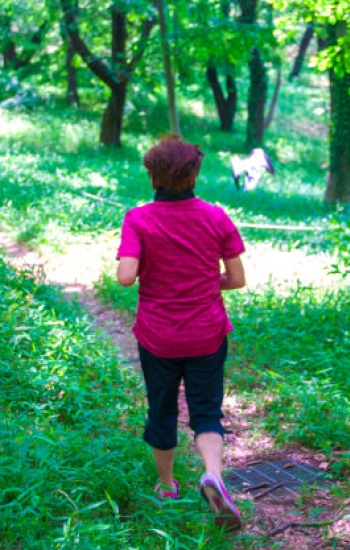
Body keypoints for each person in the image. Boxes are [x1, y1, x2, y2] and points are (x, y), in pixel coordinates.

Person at [116, 134, 246, 532]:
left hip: (159, 336)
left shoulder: (138, 219)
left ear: (152, 176)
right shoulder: (216, 217)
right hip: (207, 333)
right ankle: (213, 476)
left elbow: (125, 277)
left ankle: (168, 486)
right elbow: (237, 279)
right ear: (194, 176)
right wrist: (205, 281)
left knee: (162, 408)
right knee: (206, 410)